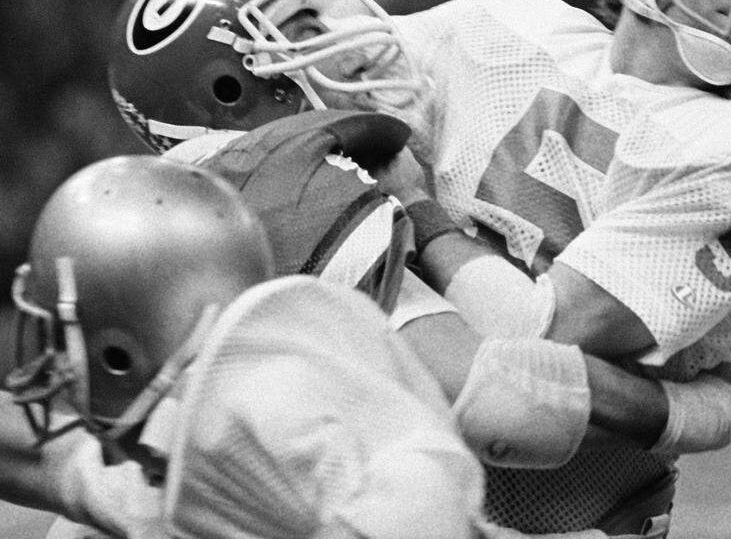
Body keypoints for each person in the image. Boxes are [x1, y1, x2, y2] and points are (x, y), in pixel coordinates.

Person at [105, 0, 731, 536]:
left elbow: (533, 341)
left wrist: (420, 208)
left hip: (554, 517)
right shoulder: (509, 24)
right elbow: (281, 47)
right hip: (366, 463)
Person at [1, 154, 487, 539]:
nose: (54, 364)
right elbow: (48, 462)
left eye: (61, 340)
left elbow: (423, 504)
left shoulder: (282, 423)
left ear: (119, 355)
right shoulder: (210, 452)